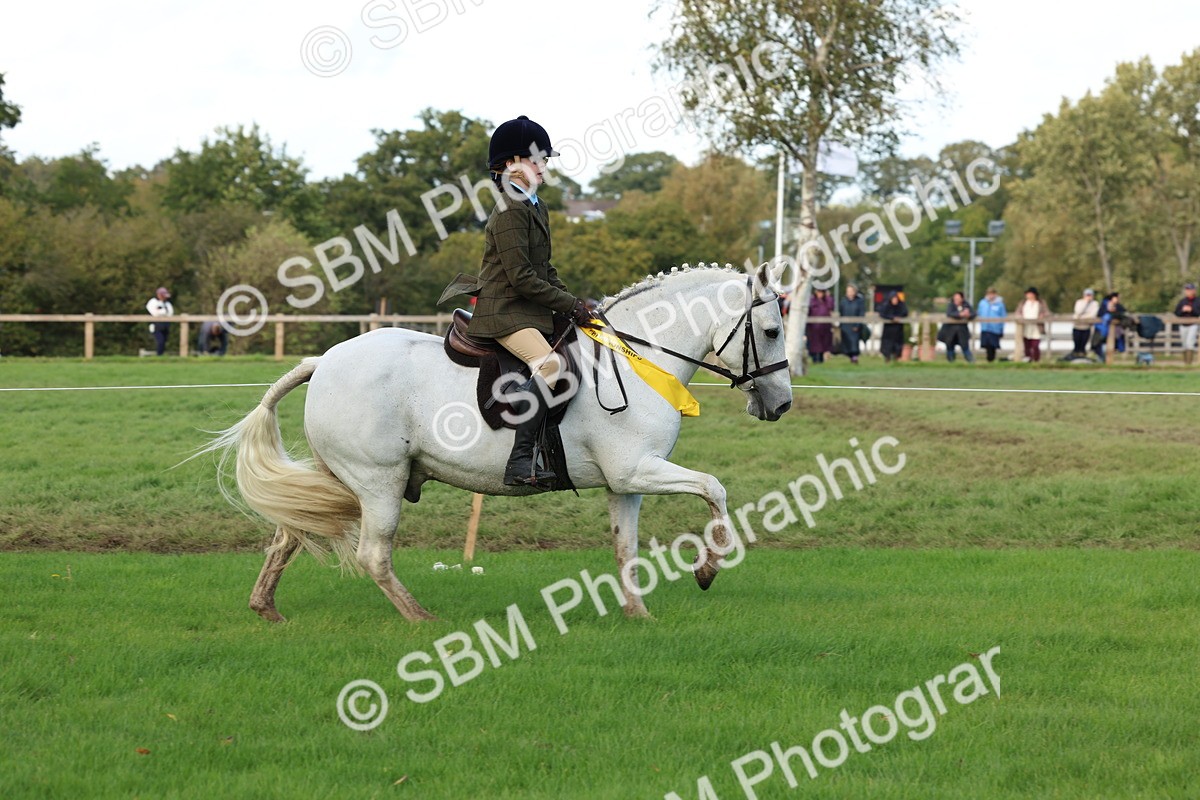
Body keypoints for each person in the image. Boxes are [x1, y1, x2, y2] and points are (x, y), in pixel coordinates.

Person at [456, 116, 592, 488]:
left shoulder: (536, 205)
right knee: (551, 367)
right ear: (513, 162)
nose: (544, 166)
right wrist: (568, 305)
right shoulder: (510, 209)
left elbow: (545, 269)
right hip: (504, 312)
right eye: (538, 159)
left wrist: (575, 304)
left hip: (527, 309)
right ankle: (519, 461)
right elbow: (522, 278)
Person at [1014, 287, 1049, 362]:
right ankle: (1028, 358)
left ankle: (1036, 359)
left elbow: (1047, 312)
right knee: (1027, 344)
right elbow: (1017, 313)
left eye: (1030, 294)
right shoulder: (1023, 303)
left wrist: (1042, 315)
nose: (1028, 295)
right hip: (1026, 326)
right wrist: (1020, 317)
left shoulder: (1040, 303)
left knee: (1035, 344)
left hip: (1037, 326)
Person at [939, 291, 975, 363]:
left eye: (958, 298)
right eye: (955, 298)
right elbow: (949, 313)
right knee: (950, 346)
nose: (956, 300)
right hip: (950, 331)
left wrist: (968, 315)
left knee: (965, 347)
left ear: (962, 298)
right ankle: (951, 362)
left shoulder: (966, 305)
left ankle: (971, 361)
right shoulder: (951, 305)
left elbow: (973, 313)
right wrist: (960, 314)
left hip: (962, 331)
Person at [976, 286, 1006, 363]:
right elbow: (979, 312)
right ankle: (989, 360)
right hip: (985, 327)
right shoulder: (982, 303)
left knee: (993, 345)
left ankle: (991, 359)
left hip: (995, 328)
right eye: (989, 294)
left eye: (992, 294)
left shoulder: (1000, 304)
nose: (991, 296)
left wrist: (1001, 328)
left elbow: (1003, 316)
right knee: (986, 344)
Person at [1093, 293, 1126, 362]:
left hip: (1111, 331)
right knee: (1100, 344)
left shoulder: (1118, 306)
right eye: (1117, 298)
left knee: (1110, 345)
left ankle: (1106, 360)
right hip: (1102, 330)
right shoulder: (1104, 305)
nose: (1118, 299)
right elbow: (1100, 315)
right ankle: (1102, 359)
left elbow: (1123, 312)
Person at [838, 283, 866, 364]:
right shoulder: (843, 301)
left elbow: (861, 313)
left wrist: (857, 325)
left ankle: (854, 358)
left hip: (855, 326)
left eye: (851, 291)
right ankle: (850, 357)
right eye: (848, 291)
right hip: (845, 326)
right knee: (846, 343)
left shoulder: (859, 301)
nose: (849, 293)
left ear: (854, 292)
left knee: (854, 343)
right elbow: (841, 312)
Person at [805, 287, 835, 363]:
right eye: (819, 292)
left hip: (825, 326)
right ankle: (815, 359)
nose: (820, 294)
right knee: (814, 345)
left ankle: (821, 359)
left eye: (822, 292)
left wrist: (828, 296)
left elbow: (831, 307)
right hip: (814, 327)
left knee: (823, 344)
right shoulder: (812, 300)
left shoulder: (827, 300)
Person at [877, 291, 908, 363]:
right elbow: (882, 314)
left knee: (898, 345)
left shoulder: (901, 305)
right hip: (888, 330)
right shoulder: (886, 305)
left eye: (896, 299)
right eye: (893, 299)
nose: (895, 300)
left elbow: (905, 313)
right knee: (887, 345)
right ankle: (887, 359)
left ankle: (896, 359)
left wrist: (898, 318)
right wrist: (891, 318)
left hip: (898, 329)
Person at [1174, 282, 1199, 365]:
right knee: (1184, 344)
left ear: (1194, 291)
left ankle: (1189, 363)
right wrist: (1182, 310)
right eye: (1187, 290)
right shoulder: (1182, 301)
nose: (1188, 291)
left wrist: (1192, 310)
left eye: (1190, 290)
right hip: (1183, 325)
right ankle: (1186, 363)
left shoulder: (1198, 301)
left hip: (1193, 324)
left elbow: (1198, 312)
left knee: (1190, 343)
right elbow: (1176, 312)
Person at [145, 287, 173, 356]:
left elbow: (170, 313)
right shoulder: (153, 302)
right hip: (156, 325)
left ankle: (161, 355)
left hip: (165, 325)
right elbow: (154, 313)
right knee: (160, 341)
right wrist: (163, 312)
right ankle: (159, 355)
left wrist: (161, 312)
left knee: (164, 341)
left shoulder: (167, 303)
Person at [1071, 288, 1099, 358]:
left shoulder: (1095, 303)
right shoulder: (1079, 302)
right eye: (1087, 295)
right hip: (1077, 326)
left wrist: (1082, 317)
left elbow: (1093, 315)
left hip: (1087, 327)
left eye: (1090, 295)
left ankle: (1082, 356)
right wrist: (1085, 303)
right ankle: (1075, 356)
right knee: (1077, 344)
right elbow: (1078, 312)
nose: (1088, 297)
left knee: (1083, 344)